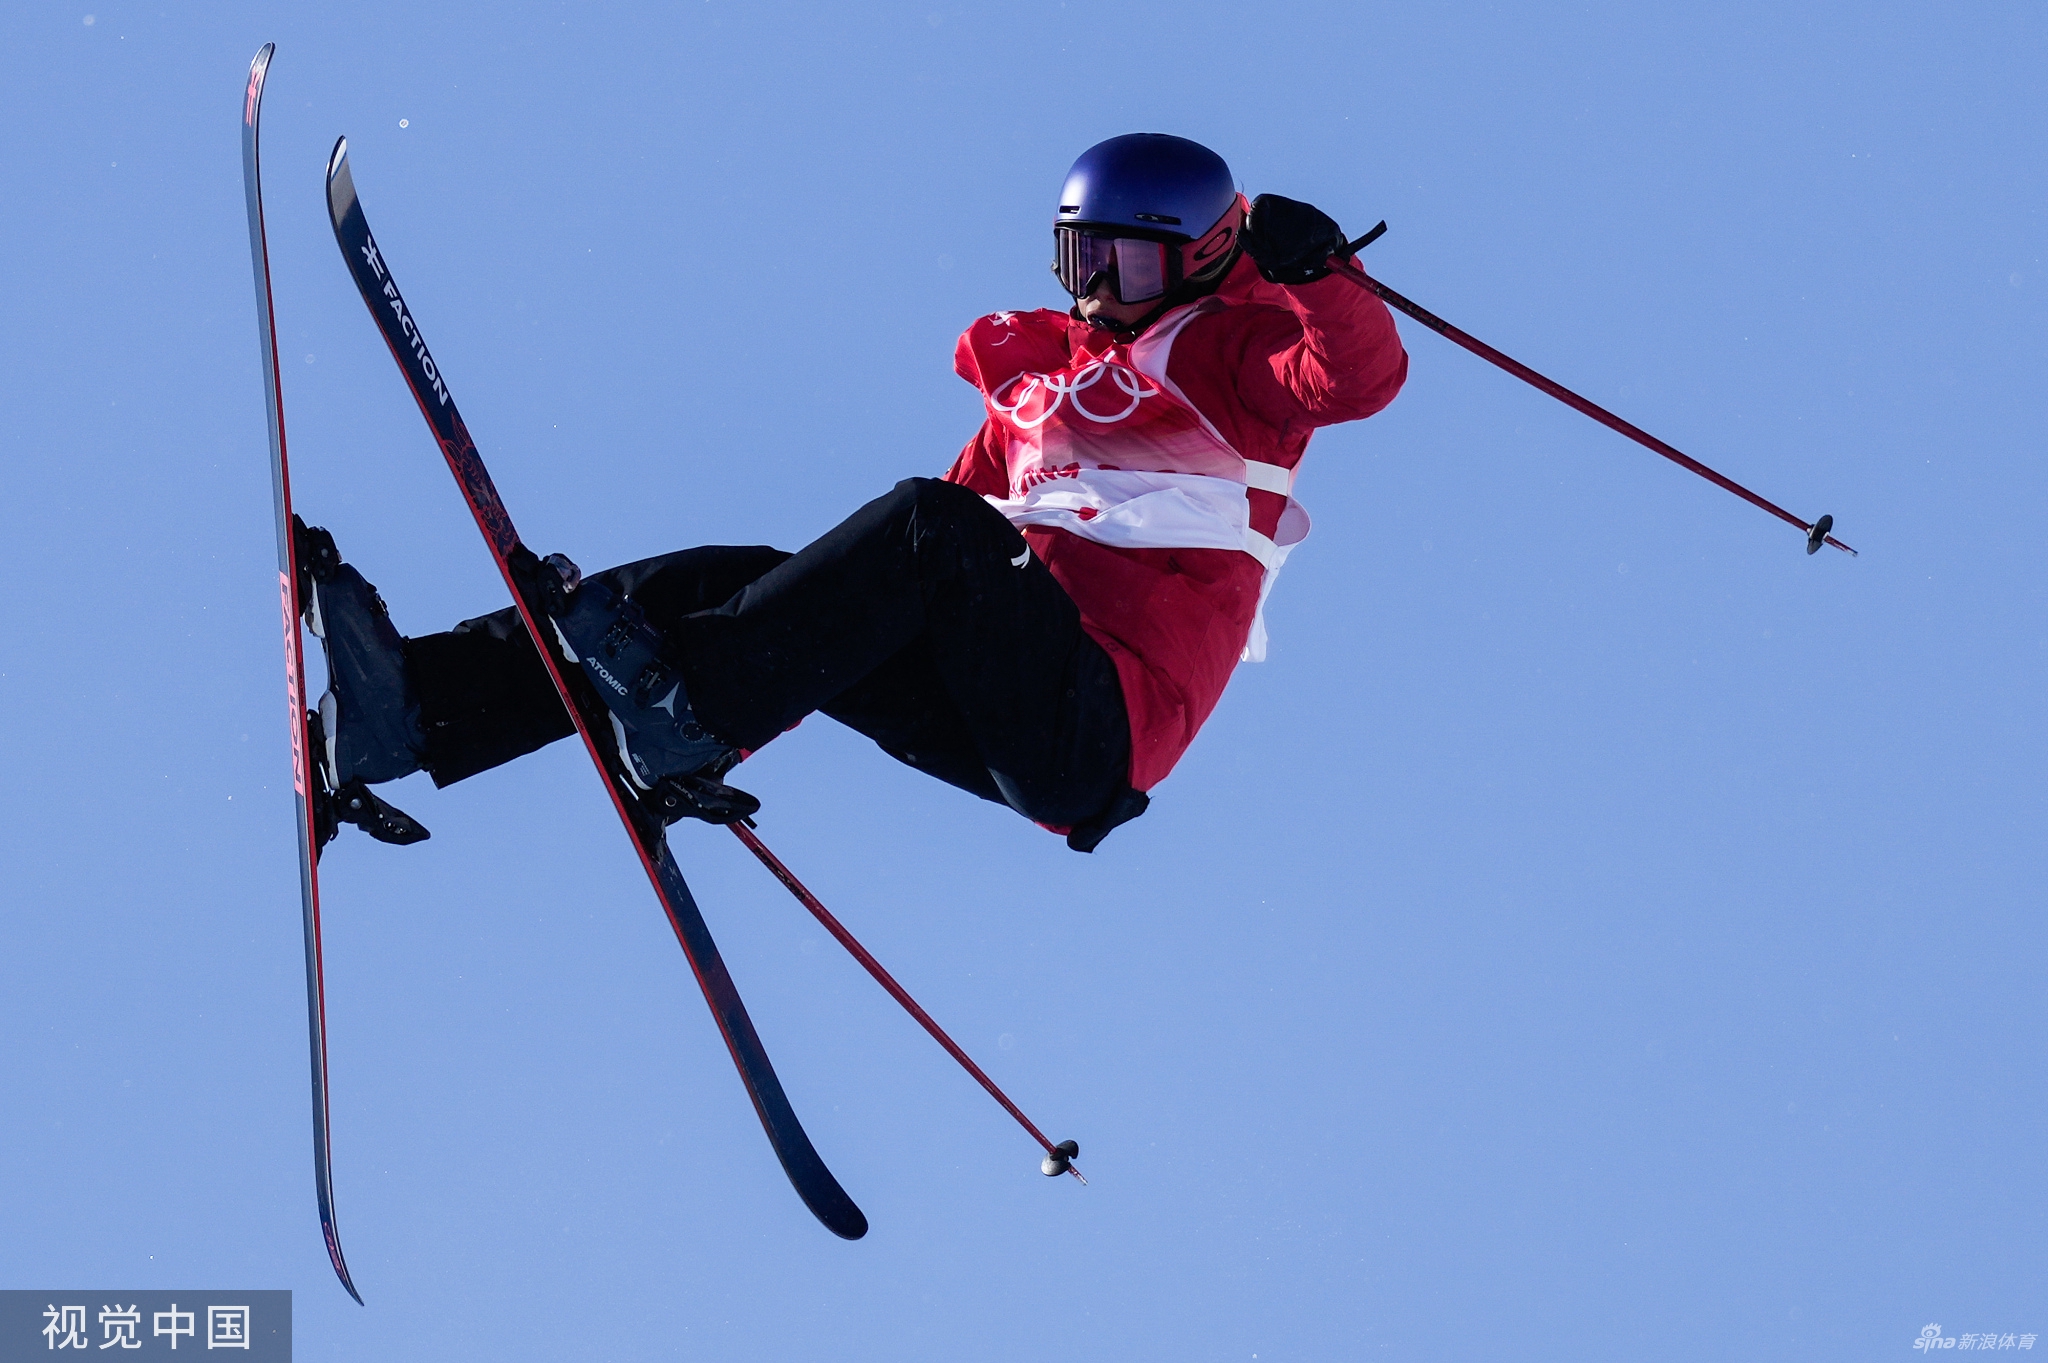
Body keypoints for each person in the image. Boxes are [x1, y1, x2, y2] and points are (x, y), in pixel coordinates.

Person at [301, 133, 1408, 854]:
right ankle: (413, 712)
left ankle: (692, 723)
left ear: (1202, 256)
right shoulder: (1051, 388)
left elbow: (1353, 378)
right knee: (731, 583)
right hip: (996, 686)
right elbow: (942, 534)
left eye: (1131, 267)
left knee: (924, 529)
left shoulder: (1237, 357)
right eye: (1082, 262)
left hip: (1094, 724)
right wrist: (793, 632)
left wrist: (1320, 274)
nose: (1100, 293)